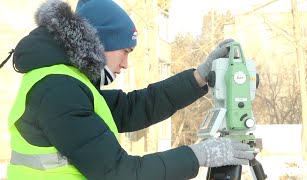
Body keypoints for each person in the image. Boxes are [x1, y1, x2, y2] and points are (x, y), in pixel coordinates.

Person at [6, 0, 254, 179]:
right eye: (124, 51)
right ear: (97, 42)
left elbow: (133, 107)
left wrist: (199, 77)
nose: (125, 64)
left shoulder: (69, 82)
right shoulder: (58, 90)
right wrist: (198, 155)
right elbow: (119, 173)